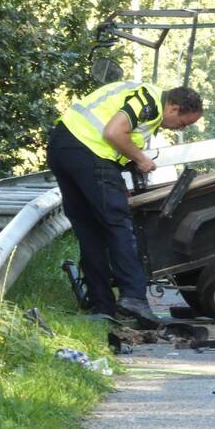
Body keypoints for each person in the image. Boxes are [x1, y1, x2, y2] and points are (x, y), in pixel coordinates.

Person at [47, 80, 204, 327]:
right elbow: (113, 132)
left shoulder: (138, 96)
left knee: (90, 231)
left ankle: (102, 307)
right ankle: (134, 298)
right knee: (119, 226)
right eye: (183, 123)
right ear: (173, 107)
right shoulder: (150, 102)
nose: (178, 129)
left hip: (63, 146)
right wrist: (141, 159)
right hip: (89, 152)